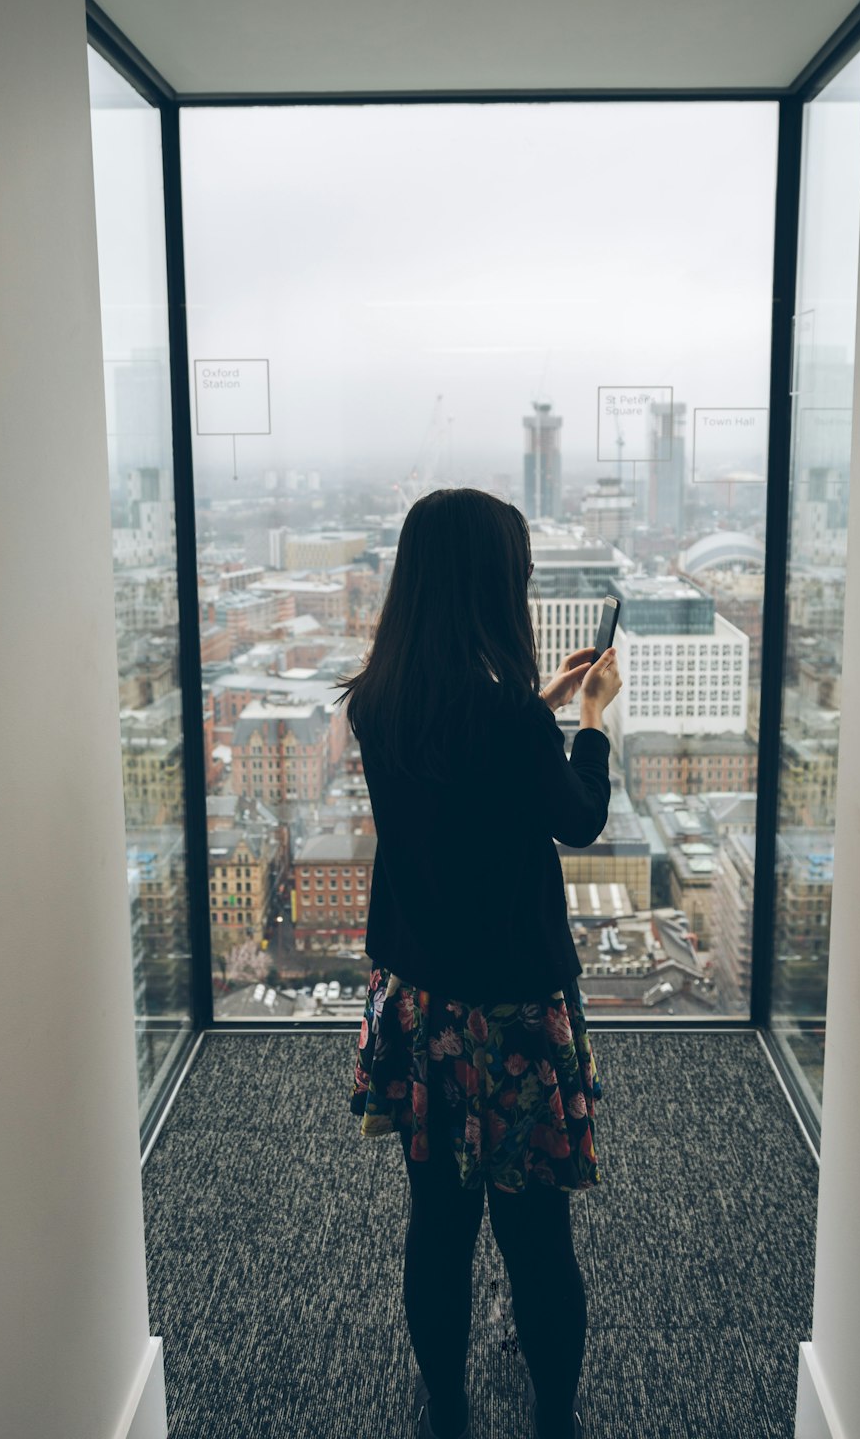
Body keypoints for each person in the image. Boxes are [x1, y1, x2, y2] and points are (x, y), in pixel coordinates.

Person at [336, 488, 621, 1439]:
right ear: (494, 587)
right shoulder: (510, 726)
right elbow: (577, 819)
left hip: (419, 1004)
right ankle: (556, 1420)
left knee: (439, 1229)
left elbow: (465, 765)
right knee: (538, 1239)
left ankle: (446, 1412)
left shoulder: (378, 701)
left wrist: (538, 711)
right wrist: (591, 723)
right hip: (511, 1016)